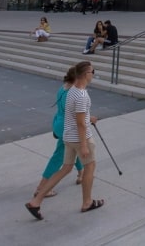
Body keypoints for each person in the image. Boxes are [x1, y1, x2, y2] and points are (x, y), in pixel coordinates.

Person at [27, 61, 104, 218]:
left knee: (65, 168)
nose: (94, 74)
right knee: (90, 167)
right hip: (80, 138)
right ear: (85, 74)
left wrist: (90, 118)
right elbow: (81, 124)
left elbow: (76, 115)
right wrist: (83, 145)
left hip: (68, 136)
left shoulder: (71, 90)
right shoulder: (82, 95)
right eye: (92, 71)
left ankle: (36, 201)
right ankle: (87, 202)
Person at [32, 66, 84, 199]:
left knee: (74, 149)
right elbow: (77, 116)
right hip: (67, 127)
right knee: (59, 156)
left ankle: (81, 173)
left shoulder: (64, 88)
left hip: (59, 123)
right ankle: (42, 188)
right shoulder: (73, 93)